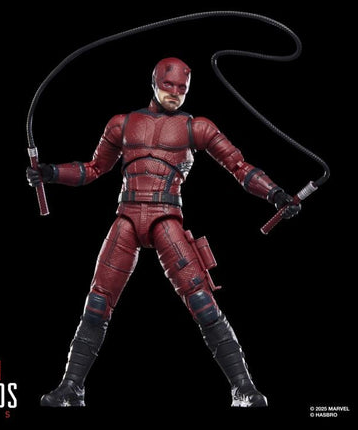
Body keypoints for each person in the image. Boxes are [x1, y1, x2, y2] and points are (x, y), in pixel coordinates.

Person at [26, 57, 300, 407]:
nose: (174, 93)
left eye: (181, 88)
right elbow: (93, 169)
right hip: (126, 217)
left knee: (202, 300)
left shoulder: (196, 127)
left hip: (166, 218)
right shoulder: (122, 124)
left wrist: (275, 193)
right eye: (168, 85)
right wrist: (50, 173)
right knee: (97, 303)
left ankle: (244, 388)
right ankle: (71, 389)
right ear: (154, 82)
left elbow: (239, 166)